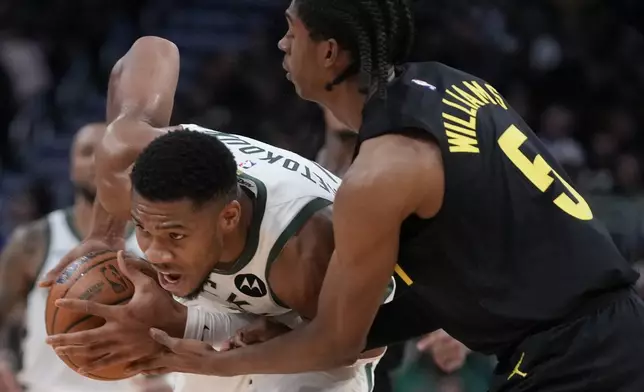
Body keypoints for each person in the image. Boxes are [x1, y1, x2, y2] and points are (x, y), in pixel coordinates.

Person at [60, 0, 644, 390]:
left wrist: (207, 357)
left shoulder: (379, 174)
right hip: (611, 328)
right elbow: (466, 249)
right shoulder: (448, 83)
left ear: (330, 53)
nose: (282, 44)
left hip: (577, 360)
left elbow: (338, 341)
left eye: (293, 31)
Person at [43, 37, 390, 391]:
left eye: (175, 235)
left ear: (229, 217)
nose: (156, 253)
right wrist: (105, 235)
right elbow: (155, 48)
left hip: (331, 326)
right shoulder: (127, 174)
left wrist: (219, 360)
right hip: (239, 283)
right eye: (144, 230)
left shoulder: (306, 249)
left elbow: (354, 344)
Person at [0, 123, 170, 392]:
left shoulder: (158, 239)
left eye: (108, 152)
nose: (98, 162)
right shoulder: (34, 240)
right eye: (87, 152)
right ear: (70, 167)